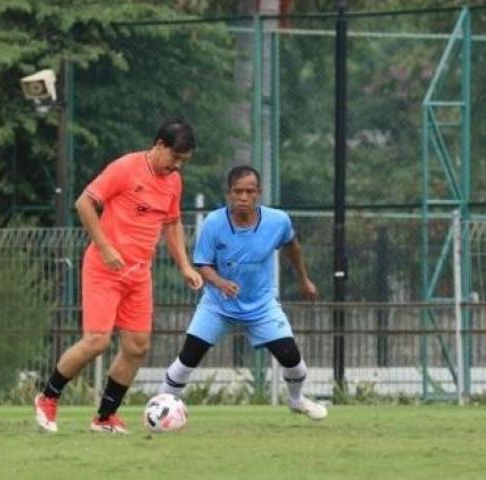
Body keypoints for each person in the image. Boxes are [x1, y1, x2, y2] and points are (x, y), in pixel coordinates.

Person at [34, 120, 204, 434]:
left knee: (137, 347)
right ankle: (48, 397)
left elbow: (173, 223)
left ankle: (105, 417)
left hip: (139, 274)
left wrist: (184, 266)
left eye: (183, 161)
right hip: (104, 268)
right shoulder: (126, 168)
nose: (177, 166)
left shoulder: (173, 181)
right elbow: (84, 203)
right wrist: (105, 247)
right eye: (175, 158)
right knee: (96, 341)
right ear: (159, 145)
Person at [158, 165, 327, 420]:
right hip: (218, 305)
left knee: (291, 357)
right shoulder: (215, 222)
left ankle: (296, 400)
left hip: (261, 305)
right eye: (238, 192)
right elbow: (203, 265)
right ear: (229, 194)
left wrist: (305, 280)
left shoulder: (278, 221)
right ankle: (160, 407)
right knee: (188, 358)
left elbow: (292, 246)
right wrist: (221, 283)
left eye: (249, 191)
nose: (243, 198)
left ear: (259, 192)